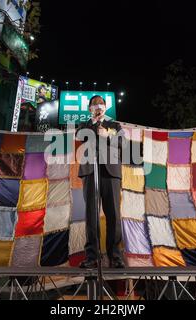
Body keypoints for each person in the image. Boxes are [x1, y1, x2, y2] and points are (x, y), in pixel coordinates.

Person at [76, 95, 126, 269]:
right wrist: (94, 124)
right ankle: (92, 256)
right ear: (90, 109)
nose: (99, 106)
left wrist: (107, 136)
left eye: (101, 104)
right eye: (95, 104)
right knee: (91, 215)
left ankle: (115, 256)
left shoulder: (115, 125)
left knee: (113, 215)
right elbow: (79, 135)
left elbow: (123, 142)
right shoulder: (85, 125)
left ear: (105, 108)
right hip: (91, 172)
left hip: (111, 173)